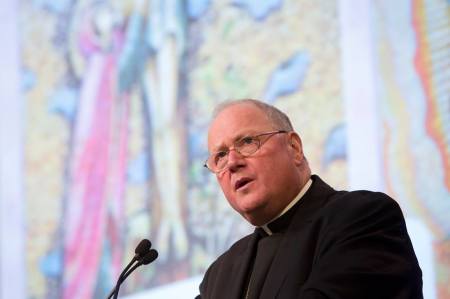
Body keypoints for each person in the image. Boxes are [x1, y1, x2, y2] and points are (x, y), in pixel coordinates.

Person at [196, 99, 422, 299]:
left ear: (294, 148)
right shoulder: (219, 274)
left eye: (246, 141)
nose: (233, 162)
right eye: (221, 156)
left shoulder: (363, 217)